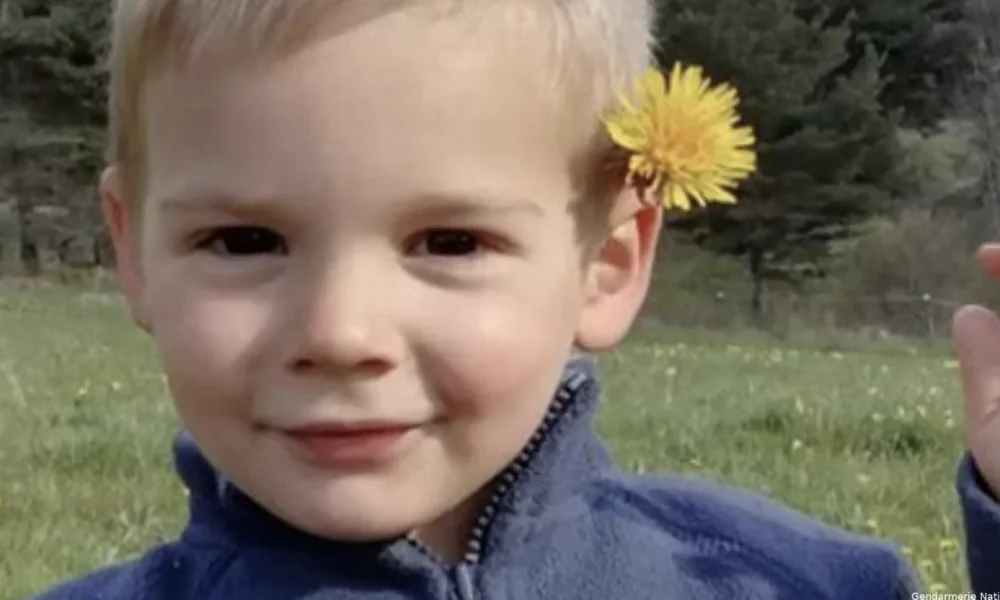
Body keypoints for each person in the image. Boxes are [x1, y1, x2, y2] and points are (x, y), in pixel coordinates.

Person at [32, 0, 1000, 597]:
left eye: (449, 242)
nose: (339, 332)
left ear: (607, 260)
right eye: (245, 241)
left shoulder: (790, 584)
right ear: (135, 252)